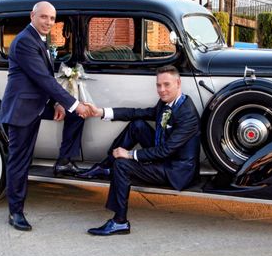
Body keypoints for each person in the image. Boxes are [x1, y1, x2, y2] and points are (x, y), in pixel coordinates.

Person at [0, 1, 90, 231]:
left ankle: (64, 161)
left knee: (75, 117)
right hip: (22, 109)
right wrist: (73, 103)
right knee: (20, 161)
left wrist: (59, 104)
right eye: (44, 17)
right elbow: (43, 79)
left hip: (38, 103)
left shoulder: (39, 40)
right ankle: (15, 212)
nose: (49, 22)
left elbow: (42, 82)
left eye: (52, 18)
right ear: (33, 16)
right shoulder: (24, 42)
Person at [79, 65, 200, 236]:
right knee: (137, 124)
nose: (162, 90)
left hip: (176, 170)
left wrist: (129, 155)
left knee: (122, 165)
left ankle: (120, 222)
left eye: (166, 85)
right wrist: (101, 112)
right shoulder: (167, 103)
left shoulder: (187, 113)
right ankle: (106, 166)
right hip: (164, 156)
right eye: (158, 85)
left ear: (178, 83)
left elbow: (165, 151)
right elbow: (138, 113)